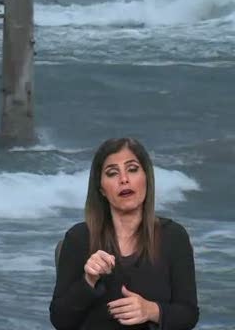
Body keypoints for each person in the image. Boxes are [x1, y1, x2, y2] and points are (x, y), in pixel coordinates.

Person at [50, 137, 199, 329]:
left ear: (146, 177)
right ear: (101, 189)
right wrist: (89, 281)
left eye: (133, 169)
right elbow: (60, 321)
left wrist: (151, 311)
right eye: (112, 173)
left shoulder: (173, 237)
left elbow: (188, 314)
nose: (124, 179)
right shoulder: (79, 238)